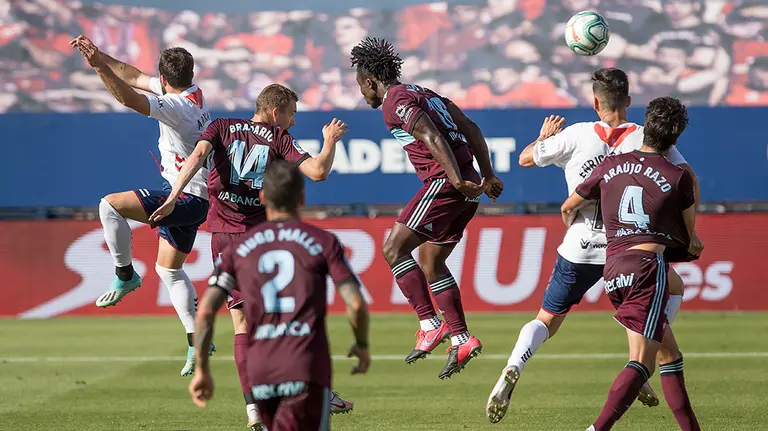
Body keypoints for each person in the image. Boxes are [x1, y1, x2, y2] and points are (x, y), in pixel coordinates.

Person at [486, 68, 703, 423]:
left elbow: (525, 158)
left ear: (595, 102)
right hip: (632, 246)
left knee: (547, 318)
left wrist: (542, 138)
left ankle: (514, 364)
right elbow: (688, 180)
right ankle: (640, 360)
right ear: (628, 101)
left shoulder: (576, 134)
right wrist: (689, 232)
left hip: (581, 243)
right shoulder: (646, 136)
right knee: (672, 293)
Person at [149, 83, 354, 429]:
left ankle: (254, 408)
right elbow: (318, 172)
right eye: (291, 114)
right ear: (276, 112)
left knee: (243, 324)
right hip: (261, 240)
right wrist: (330, 141)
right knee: (285, 317)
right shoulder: (279, 138)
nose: (292, 121)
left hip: (224, 240)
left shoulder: (220, 126)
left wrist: (172, 198)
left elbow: (196, 157)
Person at [350, 37, 504, 379]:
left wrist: (456, 180)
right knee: (432, 262)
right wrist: (487, 175)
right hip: (468, 186)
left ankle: (430, 324)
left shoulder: (394, 100)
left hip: (446, 184)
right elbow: (471, 128)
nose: (362, 93)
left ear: (370, 81)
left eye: (361, 86)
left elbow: (432, 136)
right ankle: (461, 338)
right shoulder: (427, 94)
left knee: (393, 249)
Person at [188, 160, 371, 431]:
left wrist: (202, 368)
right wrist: (362, 344)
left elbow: (204, 312)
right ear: (302, 198)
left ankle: (252, 409)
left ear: (262, 197)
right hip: (306, 365)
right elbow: (355, 303)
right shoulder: (323, 241)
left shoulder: (239, 250)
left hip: (261, 370)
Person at [71, 35, 214, 376]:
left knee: (110, 206)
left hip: (184, 196)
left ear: (164, 78)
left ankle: (125, 274)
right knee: (169, 270)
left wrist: (98, 68)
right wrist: (101, 56)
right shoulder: (193, 93)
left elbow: (129, 97)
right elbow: (134, 76)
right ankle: (197, 340)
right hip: (197, 197)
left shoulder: (177, 107)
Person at [562, 96, 702, 431]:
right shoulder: (678, 177)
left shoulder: (610, 165)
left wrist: (574, 227)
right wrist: (689, 243)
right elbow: (689, 239)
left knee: (670, 354)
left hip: (612, 267)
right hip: (646, 268)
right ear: (676, 138)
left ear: (646, 126)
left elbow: (569, 207)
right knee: (642, 362)